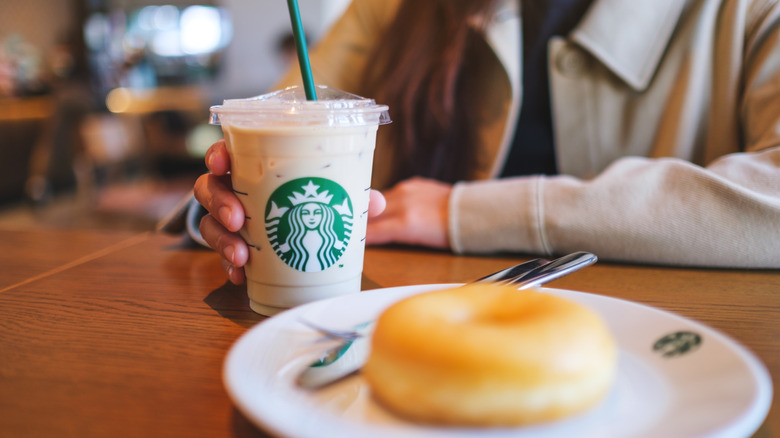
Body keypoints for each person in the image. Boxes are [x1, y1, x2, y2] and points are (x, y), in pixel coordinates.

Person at [194, 0, 780, 285]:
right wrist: (227, 199)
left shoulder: (747, 12)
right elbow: (267, 131)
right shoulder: (394, 10)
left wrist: (460, 212)